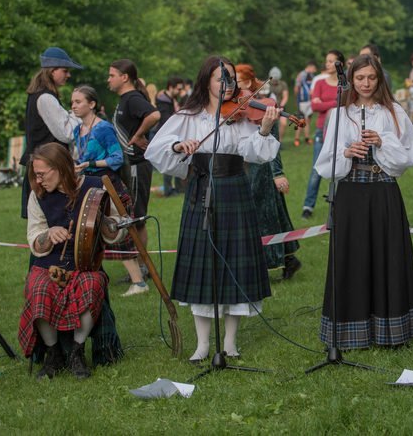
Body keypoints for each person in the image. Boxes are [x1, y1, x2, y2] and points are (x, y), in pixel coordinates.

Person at [144, 56, 281, 362]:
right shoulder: (187, 116)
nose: (227, 85)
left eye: (230, 79)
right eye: (221, 79)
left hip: (234, 187)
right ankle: (203, 343)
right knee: (203, 262)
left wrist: (265, 129)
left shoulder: (244, 117)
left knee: (235, 262)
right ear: (206, 80)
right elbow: (156, 149)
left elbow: (257, 154)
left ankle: (230, 341)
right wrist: (179, 146)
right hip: (201, 189)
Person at [314, 54, 413, 349]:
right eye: (360, 78)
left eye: (371, 78)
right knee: (353, 258)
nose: (365, 83)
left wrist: (382, 141)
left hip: (384, 190)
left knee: (388, 256)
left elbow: (407, 158)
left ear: (379, 80)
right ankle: (352, 333)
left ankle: (393, 331)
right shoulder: (340, 115)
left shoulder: (393, 112)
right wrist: (347, 153)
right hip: (351, 192)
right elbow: (325, 163)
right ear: (351, 79)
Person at [19, 143, 126, 379]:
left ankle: (76, 352)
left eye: (41, 174)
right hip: (50, 264)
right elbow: (34, 238)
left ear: (60, 168)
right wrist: (48, 234)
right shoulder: (38, 197)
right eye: (34, 175)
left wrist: (109, 226)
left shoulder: (96, 187)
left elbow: (117, 230)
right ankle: (53, 352)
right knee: (38, 289)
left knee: (92, 285)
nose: (37, 181)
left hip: (85, 264)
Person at [71, 85, 148, 297]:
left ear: (92, 104)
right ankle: (92, 281)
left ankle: (139, 283)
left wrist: (89, 164)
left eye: (78, 102)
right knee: (89, 234)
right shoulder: (77, 130)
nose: (74, 106)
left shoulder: (103, 128)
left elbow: (116, 158)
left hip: (110, 186)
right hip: (90, 186)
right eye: (72, 102)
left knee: (117, 232)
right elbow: (82, 157)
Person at [236, 64, 302, 280]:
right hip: (241, 167)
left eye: (236, 81)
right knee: (270, 214)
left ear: (247, 83)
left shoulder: (266, 106)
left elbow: (273, 143)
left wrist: (278, 173)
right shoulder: (236, 106)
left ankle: (274, 261)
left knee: (265, 216)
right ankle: (289, 259)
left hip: (261, 169)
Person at [19, 47, 83, 218]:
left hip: (45, 166)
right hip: (46, 169)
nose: (68, 75)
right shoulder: (45, 98)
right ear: (52, 70)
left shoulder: (41, 95)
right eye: (65, 70)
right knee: (49, 222)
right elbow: (67, 133)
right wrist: (80, 116)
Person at [108, 59, 160, 253]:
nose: (108, 80)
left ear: (124, 77)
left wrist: (138, 135)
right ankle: (137, 267)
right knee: (130, 217)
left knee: (137, 219)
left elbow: (154, 115)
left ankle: (142, 267)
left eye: (112, 75)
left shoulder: (132, 98)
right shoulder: (125, 99)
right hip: (129, 166)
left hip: (138, 165)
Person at [302, 50, 344, 220]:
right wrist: (335, 103)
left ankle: (340, 204)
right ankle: (308, 206)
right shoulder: (319, 82)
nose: (327, 64)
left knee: (341, 168)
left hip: (341, 130)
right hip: (322, 130)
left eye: (331, 61)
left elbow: (346, 103)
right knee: (316, 169)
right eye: (326, 61)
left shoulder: (344, 84)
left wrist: (325, 104)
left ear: (339, 64)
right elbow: (314, 106)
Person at [154, 77, 185, 196]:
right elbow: (166, 120)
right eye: (178, 88)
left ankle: (175, 188)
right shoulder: (163, 101)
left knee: (175, 161)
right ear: (170, 87)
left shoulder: (170, 99)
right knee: (168, 161)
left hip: (172, 134)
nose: (180, 91)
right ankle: (168, 190)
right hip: (165, 135)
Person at [293, 61, 318, 147]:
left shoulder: (312, 76)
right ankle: (296, 139)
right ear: (310, 67)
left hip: (310, 101)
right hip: (302, 101)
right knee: (300, 120)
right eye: (314, 69)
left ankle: (307, 138)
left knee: (308, 120)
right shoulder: (301, 75)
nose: (314, 71)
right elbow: (296, 88)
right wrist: (297, 100)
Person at [267, 66, 291, 142]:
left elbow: (285, 96)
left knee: (283, 123)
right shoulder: (267, 84)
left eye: (276, 80)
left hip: (280, 107)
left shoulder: (283, 84)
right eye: (273, 79)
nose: (274, 81)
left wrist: (282, 105)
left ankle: (279, 141)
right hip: (269, 107)